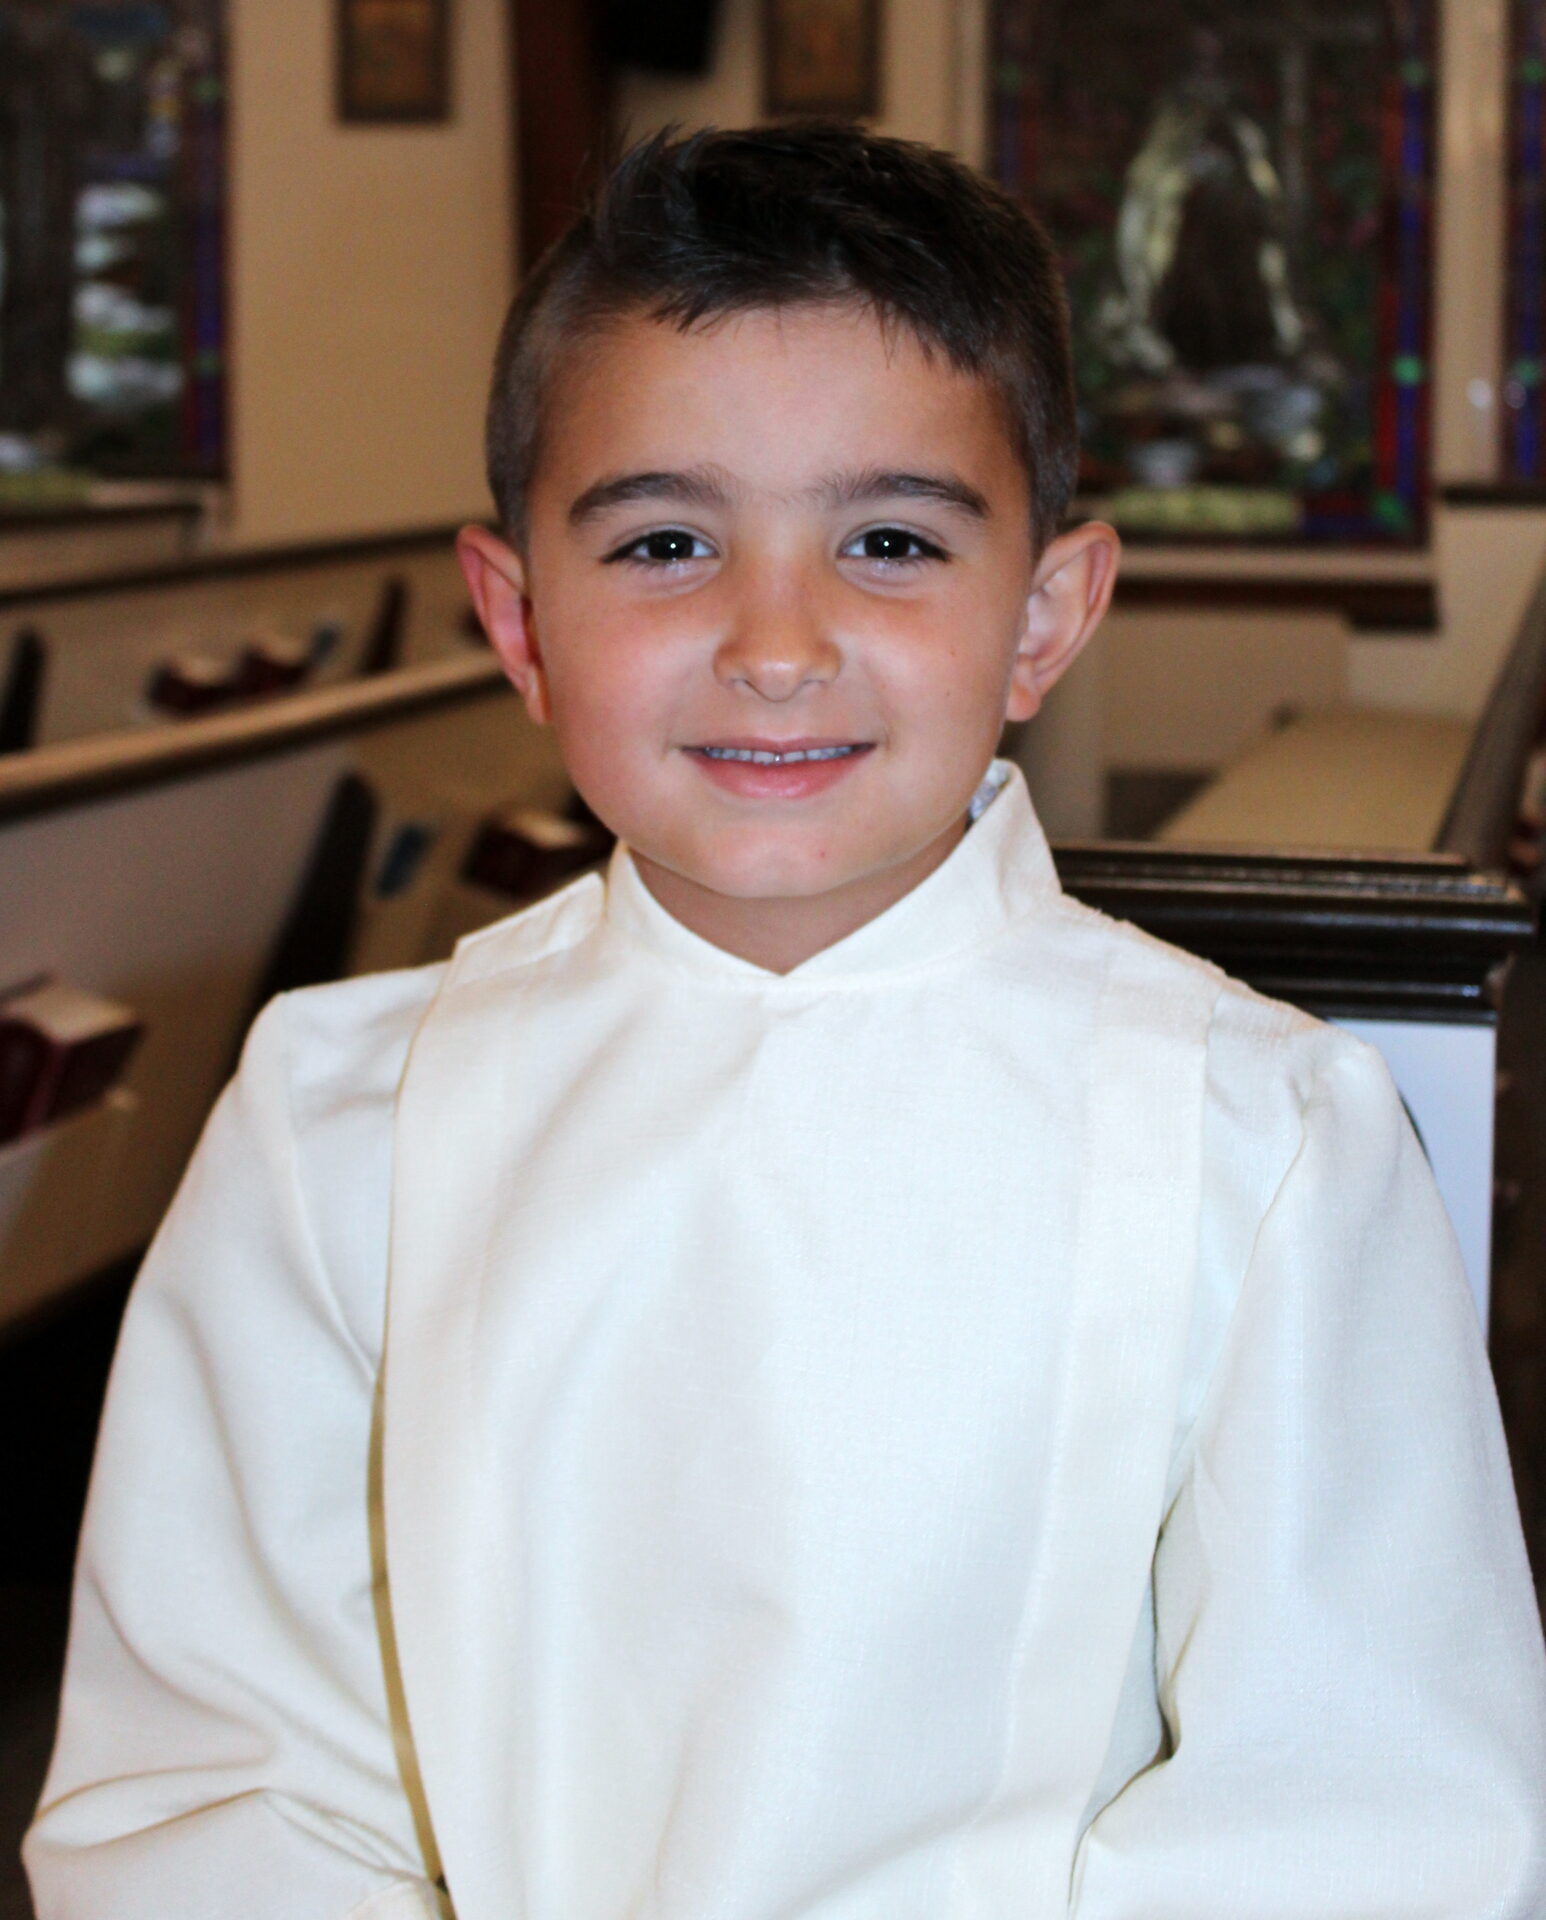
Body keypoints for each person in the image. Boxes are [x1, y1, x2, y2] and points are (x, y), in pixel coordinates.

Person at [25, 123, 1546, 1919]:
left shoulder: (1261, 1135)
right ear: (517, 618)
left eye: (889, 542)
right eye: (666, 540)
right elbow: (225, 1776)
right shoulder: (337, 1119)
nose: (775, 639)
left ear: (1045, 613)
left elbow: (1359, 1811)